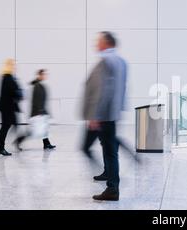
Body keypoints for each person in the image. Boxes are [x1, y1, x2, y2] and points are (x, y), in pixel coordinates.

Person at [82, 31, 127, 201]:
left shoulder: (106, 61)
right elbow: (122, 89)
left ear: (107, 43)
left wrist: (96, 115)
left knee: (101, 149)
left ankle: (112, 188)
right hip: (112, 113)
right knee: (109, 147)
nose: (96, 44)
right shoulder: (121, 61)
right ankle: (108, 175)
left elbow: (104, 90)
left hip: (103, 115)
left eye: (98, 41)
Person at [14, 69, 56, 150]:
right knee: (33, 132)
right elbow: (36, 100)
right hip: (37, 112)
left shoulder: (38, 84)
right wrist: (40, 111)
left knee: (43, 129)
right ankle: (18, 141)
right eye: (44, 74)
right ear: (39, 75)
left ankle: (47, 144)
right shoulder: (37, 86)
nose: (45, 76)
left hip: (40, 111)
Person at [0, 59, 23, 156]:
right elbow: (14, 92)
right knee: (5, 127)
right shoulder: (8, 78)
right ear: (9, 66)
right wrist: (19, 92)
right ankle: (0, 149)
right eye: (13, 65)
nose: (15, 67)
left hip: (7, 107)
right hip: (7, 108)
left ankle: (16, 143)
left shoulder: (6, 77)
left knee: (11, 125)